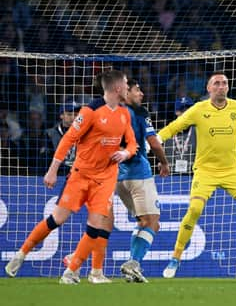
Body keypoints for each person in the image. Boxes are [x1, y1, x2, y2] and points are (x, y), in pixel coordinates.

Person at [4, 70, 137, 284]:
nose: (128, 88)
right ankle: (21, 253)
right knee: (57, 219)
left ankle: (72, 272)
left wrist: (125, 152)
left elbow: (132, 143)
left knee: (96, 225)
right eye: (125, 84)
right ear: (118, 88)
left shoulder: (124, 113)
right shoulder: (90, 111)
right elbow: (68, 139)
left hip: (105, 178)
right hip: (81, 175)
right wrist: (53, 169)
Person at [158, 72, 236, 277]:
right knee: (195, 210)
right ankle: (175, 259)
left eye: (224, 83)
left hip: (233, 171)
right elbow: (174, 127)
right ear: (208, 89)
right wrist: (154, 140)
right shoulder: (198, 109)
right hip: (205, 172)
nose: (221, 86)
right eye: (216, 83)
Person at [117, 78, 171, 282]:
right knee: (153, 222)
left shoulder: (112, 113)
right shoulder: (139, 113)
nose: (141, 94)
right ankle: (133, 262)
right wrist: (164, 163)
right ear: (126, 92)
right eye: (137, 90)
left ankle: (133, 266)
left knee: (143, 221)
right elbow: (154, 144)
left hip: (118, 178)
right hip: (139, 174)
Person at [44, 99, 82, 174]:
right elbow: (45, 160)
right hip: (58, 174)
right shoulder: (50, 134)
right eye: (69, 114)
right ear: (61, 115)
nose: (73, 118)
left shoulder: (85, 133)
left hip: (79, 174)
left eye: (76, 114)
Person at [163, 96, 196, 173]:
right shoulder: (167, 131)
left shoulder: (198, 131)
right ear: (176, 112)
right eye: (183, 110)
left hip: (193, 176)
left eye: (189, 110)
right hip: (171, 178)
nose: (186, 113)